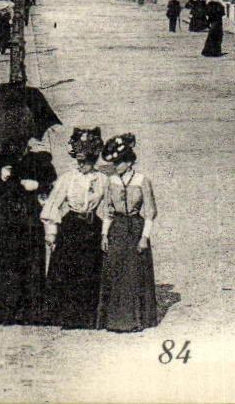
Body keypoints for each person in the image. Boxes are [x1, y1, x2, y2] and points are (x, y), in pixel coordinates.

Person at [42, 127, 106, 328]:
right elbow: (52, 206)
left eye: (85, 161)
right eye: (79, 160)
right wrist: (51, 233)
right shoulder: (68, 178)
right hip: (71, 227)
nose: (81, 165)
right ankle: (68, 317)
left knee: (90, 271)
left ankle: (88, 316)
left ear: (93, 159)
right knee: (70, 270)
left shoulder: (102, 180)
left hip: (92, 227)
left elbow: (108, 206)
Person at [0, 138, 57, 325]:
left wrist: (37, 185)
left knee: (31, 263)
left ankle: (31, 311)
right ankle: (6, 311)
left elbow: (50, 184)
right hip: (6, 221)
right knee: (6, 264)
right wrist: (0, 177)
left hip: (29, 220)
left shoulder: (39, 160)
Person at [97, 133, 158, 331]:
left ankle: (135, 320)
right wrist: (104, 234)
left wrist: (144, 237)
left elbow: (150, 212)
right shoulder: (112, 181)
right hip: (117, 229)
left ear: (129, 162)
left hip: (135, 228)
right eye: (114, 163)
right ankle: (114, 320)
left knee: (133, 274)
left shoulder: (142, 180)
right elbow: (108, 209)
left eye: (120, 162)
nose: (116, 166)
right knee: (115, 272)